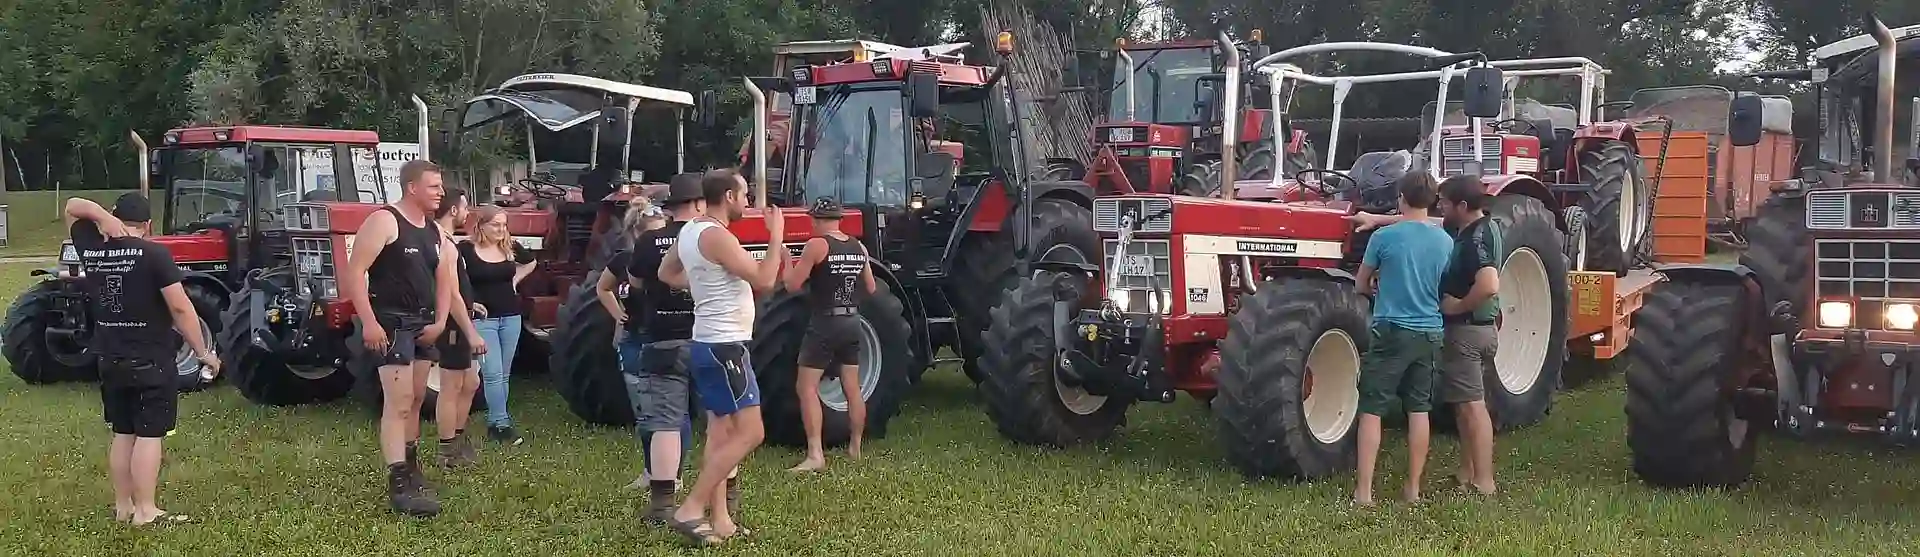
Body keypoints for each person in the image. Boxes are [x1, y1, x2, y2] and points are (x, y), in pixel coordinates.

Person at [65, 194, 220, 526]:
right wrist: (204, 353)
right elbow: (180, 309)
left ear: (115, 217)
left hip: (109, 356)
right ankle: (146, 510)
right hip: (150, 358)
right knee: (149, 435)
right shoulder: (154, 254)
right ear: (148, 226)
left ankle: (123, 506)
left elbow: (72, 206)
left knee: (123, 433)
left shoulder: (91, 248)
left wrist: (100, 216)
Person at [658, 169, 784, 545]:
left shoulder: (691, 231)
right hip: (726, 347)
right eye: (745, 195)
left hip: (707, 344)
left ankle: (721, 519)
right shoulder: (716, 235)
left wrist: (703, 287)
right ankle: (691, 508)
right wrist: (775, 235)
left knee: (720, 434)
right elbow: (764, 280)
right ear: (729, 196)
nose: (748, 202)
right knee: (752, 432)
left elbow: (666, 273)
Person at [343, 159, 459, 518]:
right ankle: (398, 483)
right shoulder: (385, 221)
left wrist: (441, 320)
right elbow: (355, 271)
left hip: (424, 324)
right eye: (434, 186)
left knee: (418, 396)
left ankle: (412, 468)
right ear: (412, 187)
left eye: (441, 187)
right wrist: (370, 323)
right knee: (400, 400)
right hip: (391, 322)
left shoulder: (433, 231)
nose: (441, 193)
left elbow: (444, 278)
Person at [1350, 173, 1453, 507]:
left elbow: (1360, 284)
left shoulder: (1384, 238)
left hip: (1391, 328)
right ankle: (1412, 489)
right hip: (1429, 331)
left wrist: (1376, 288)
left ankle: (1364, 493)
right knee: (1419, 409)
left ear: (1401, 198)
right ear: (1434, 200)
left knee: (1372, 409)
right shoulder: (1445, 242)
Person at [612, 173, 704, 521]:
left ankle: (662, 504)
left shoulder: (650, 241)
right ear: (698, 204)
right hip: (705, 336)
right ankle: (722, 502)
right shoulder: (709, 237)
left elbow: (633, 283)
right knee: (722, 421)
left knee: (665, 421)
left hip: (661, 335)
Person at [783, 196, 875, 472]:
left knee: (806, 387)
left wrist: (787, 259)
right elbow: (870, 287)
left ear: (817, 219)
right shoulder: (859, 247)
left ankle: (815, 455)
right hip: (852, 321)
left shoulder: (816, 245)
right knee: (852, 387)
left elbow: (791, 285)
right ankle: (855, 446)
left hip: (825, 322)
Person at [1434, 176, 1501, 496]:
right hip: (1478, 330)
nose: (1440, 207)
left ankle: (1484, 481)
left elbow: (1489, 284)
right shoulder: (1477, 229)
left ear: (1462, 206)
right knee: (1465, 406)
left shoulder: (1476, 239)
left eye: (1445, 202)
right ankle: (1467, 472)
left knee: (1473, 407)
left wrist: (1458, 305)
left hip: (1469, 329)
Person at [461, 205, 537, 446]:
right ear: (481, 225)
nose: (501, 230)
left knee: (504, 374)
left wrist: (515, 280)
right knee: (492, 373)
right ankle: (502, 423)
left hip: (510, 316)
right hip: (484, 319)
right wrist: (468, 301)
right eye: (496, 225)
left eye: (504, 225)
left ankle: (495, 424)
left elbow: (531, 262)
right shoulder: (466, 249)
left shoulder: (509, 247)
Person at [432, 188, 488, 467]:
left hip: (459, 316)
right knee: (451, 386)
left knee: (471, 382)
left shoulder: (447, 241)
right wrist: (471, 330)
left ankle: (457, 437)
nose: (467, 213)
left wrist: (470, 303)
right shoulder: (444, 242)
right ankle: (447, 450)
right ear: (453, 210)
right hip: (453, 325)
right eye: (465, 208)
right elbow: (450, 292)